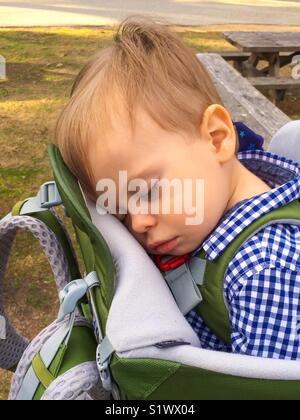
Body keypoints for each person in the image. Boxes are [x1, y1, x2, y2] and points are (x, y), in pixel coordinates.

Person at [55, 16, 300, 360]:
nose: (137, 223)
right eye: (120, 212)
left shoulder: (263, 270)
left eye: (148, 191)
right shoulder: (213, 203)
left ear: (216, 140)